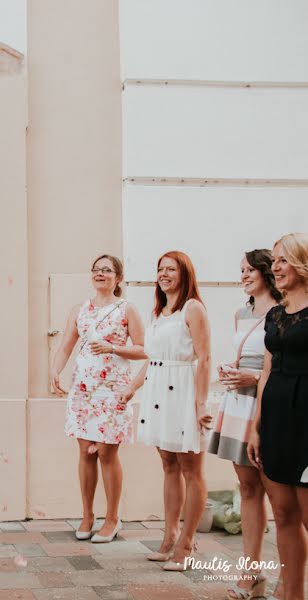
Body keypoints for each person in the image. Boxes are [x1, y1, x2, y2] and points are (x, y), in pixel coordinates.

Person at [121, 251, 212, 572]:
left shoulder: (193, 308)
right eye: (160, 269)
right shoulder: (160, 312)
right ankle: (170, 533)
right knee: (168, 465)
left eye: (170, 269)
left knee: (192, 469)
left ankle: (187, 543)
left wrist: (201, 404)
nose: (164, 274)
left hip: (184, 393)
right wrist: (133, 387)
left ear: (184, 274)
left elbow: (204, 358)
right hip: (159, 392)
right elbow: (153, 357)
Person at [50, 255, 146, 543]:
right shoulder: (80, 309)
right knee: (84, 453)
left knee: (106, 453)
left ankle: (113, 518)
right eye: (96, 270)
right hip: (84, 390)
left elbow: (143, 350)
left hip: (113, 390)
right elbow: (66, 346)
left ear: (118, 278)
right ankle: (87, 515)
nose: (100, 274)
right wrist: (55, 371)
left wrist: (112, 348)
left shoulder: (126, 309)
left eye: (107, 270)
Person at [208, 250, 281, 600]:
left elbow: (275, 365)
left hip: (265, 405)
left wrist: (250, 376)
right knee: (248, 490)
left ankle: (289, 578)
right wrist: (231, 370)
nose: (244, 276)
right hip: (239, 403)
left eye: (250, 270)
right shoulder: (242, 312)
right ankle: (251, 575)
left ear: (266, 272)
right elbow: (246, 355)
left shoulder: (282, 313)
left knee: (279, 498)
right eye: (241, 271)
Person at [248, 232, 308, 600]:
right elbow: (267, 371)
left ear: (302, 263)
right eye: (274, 260)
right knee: (283, 514)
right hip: (276, 420)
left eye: (283, 259)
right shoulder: (275, 314)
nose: (276, 267)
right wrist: (256, 427)